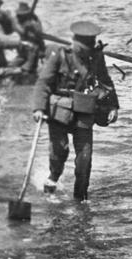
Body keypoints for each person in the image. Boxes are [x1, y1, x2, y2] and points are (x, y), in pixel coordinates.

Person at [31, 21, 120, 202]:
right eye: (84, 45)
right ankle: (53, 178)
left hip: (85, 112)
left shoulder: (96, 58)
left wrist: (113, 106)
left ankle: (81, 198)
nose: (87, 50)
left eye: (91, 44)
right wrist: (39, 108)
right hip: (60, 112)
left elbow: (106, 81)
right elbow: (43, 83)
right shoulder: (61, 56)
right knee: (59, 152)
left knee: (84, 158)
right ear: (76, 42)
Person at [12, 1, 45, 73]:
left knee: (32, 63)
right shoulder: (16, 19)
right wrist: (27, 27)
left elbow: (39, 32)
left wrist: (33, 27)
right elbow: (21, 31)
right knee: (19, 61)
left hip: (34, 45)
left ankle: (30, 69)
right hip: (22, 45)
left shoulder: (34, 18)